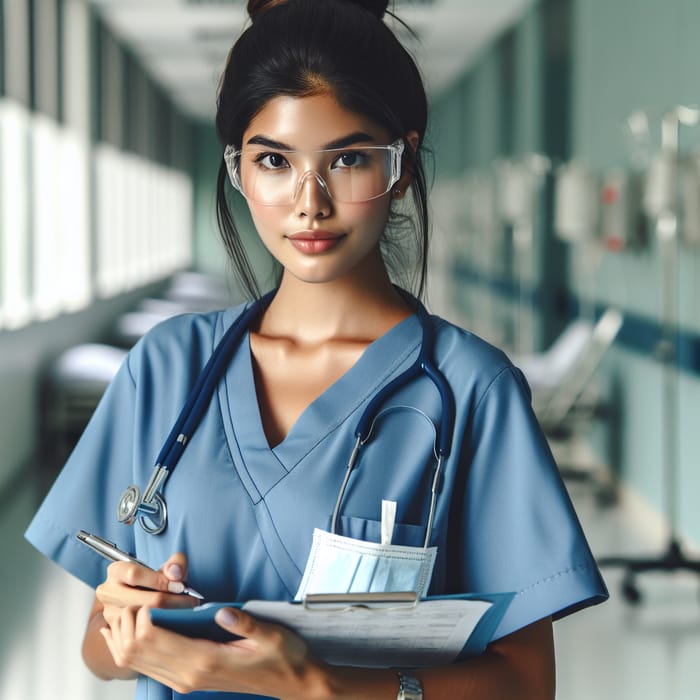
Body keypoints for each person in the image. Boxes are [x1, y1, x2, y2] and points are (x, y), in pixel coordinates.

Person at [25, 0, 608, 698]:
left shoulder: (467, 390)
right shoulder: (165, 368)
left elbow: (525, 684)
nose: (310, 202)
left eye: (349, 159)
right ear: (238, 168)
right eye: (274, 159)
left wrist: (315, 685)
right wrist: (132, 627)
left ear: (401, 164)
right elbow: (97, 647)